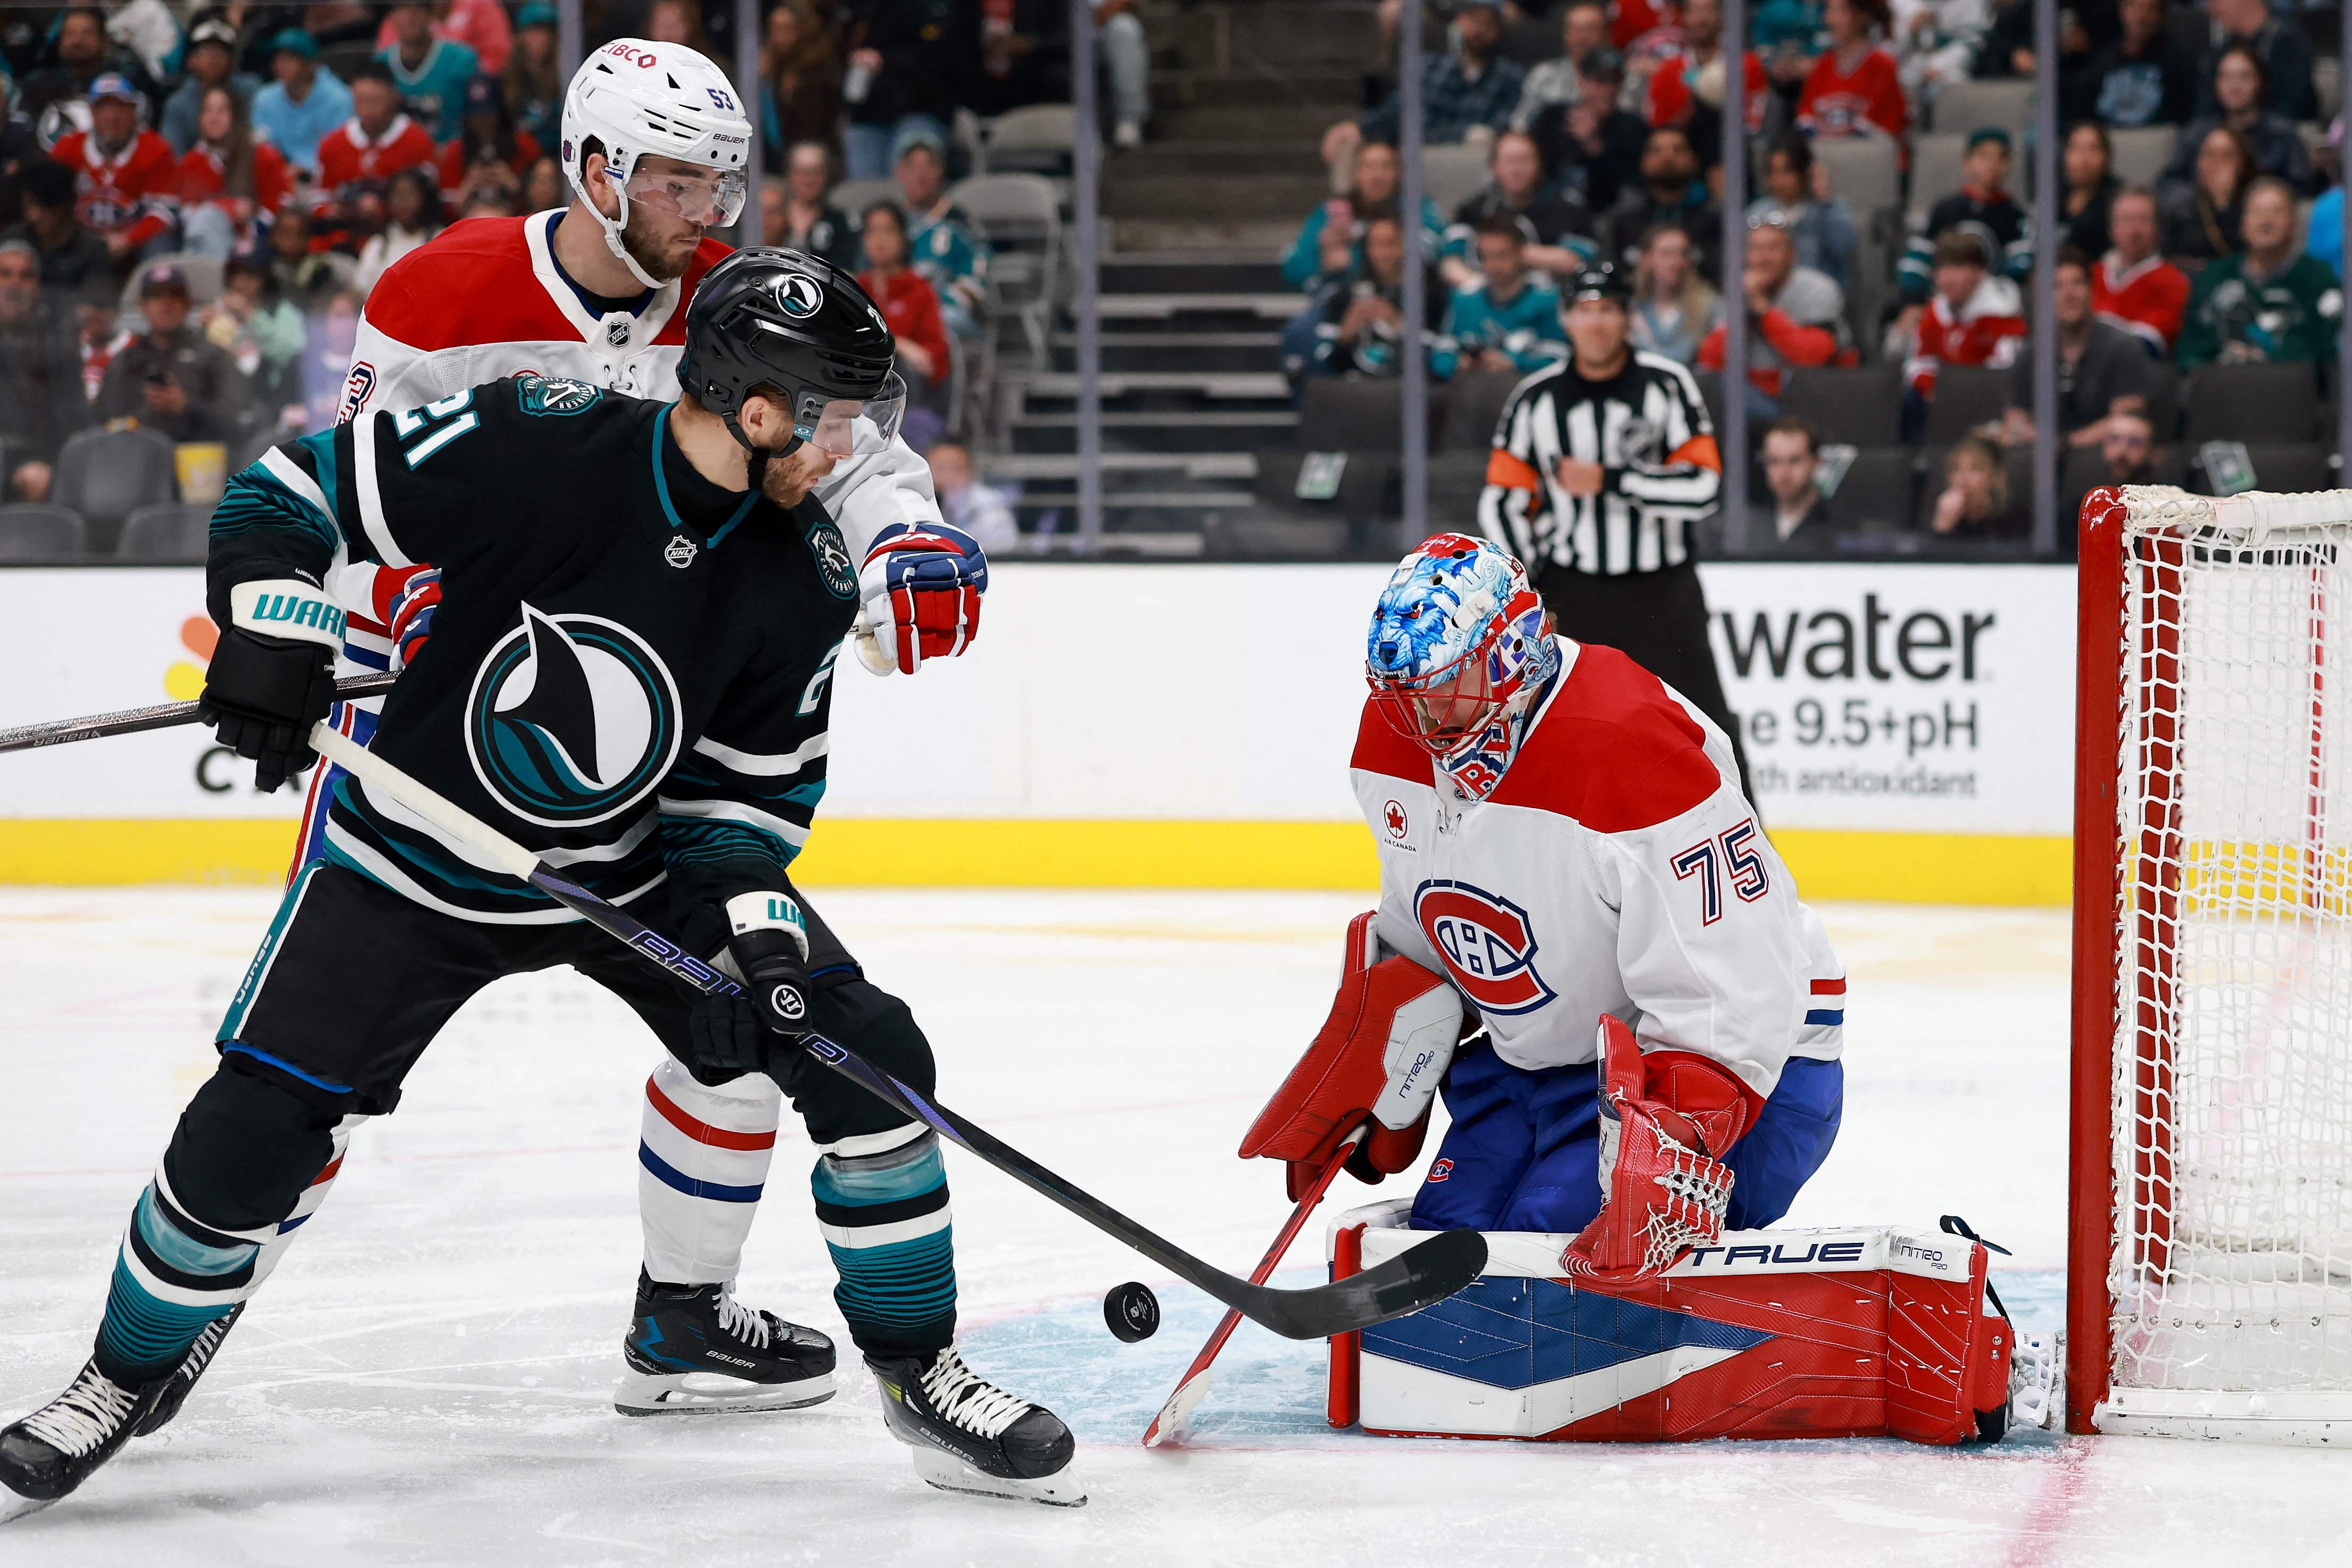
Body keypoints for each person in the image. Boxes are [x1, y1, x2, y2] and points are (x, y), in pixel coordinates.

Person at [0, 247, 1075, 1521]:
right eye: (836, 419)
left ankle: (920, 1374)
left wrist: (764, 959)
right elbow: (286, 497)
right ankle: (117, 1383)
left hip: (627, 871)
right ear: (757, 406)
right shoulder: (540, 441)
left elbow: (735, 820)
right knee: (251, 1135)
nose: (852, 454)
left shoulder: (804, 577)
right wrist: (271, 622)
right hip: (414, 856)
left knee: (865, 1055)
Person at [185, 39, 989, 1433]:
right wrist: (321, 636)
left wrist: (909, 533)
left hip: (662, 743)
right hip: (447, 744)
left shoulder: (730, 308)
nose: (714, 213)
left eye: (726, 182)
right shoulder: (440, 292)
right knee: (307, 1087)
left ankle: (680, 1319)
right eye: (685, 182)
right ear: (599, 169)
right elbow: (369, 494)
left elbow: (847, 450)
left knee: (743, 1015)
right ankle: (189, 1303)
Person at [1285, 533, 1840, 1267]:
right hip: (1548, 1057)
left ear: (1512, 654)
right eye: (1403, 698)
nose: (1422, 725)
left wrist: (1674, 1136)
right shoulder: (1395, 738)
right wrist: (1378, 1064)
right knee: (1455, 1227)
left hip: (1745, 1064)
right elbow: (1430, 922)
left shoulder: (1629, 745)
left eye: (1443, 691)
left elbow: (1735, 977)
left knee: (1537, 1249)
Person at [1477, 266, 1755, 799]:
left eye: (1607, 309)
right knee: (1552, 729)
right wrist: (1529, 590)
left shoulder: (1667, 386)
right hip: (1572, 592)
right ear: (1566, 320)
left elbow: (1704, 488)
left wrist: (1611, 480)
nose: (1596, 322)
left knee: (1706, 729)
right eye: (1584, 310)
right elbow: (1502, 502)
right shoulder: (1535, 400)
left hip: (1663, 589)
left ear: (1626, 317)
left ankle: (1748, 853)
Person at [1326, 0, 1525, 178]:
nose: (1480, 30)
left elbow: (1504, 125)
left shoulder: (1511, 77)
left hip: (1476, 163)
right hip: (1423, 156)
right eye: (1474, 19)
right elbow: (1396, 109)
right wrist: (1357, 127)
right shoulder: (1429, 69)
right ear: (1459, 22)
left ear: (1499, 29)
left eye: (1488, 23)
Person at [2175, 176, 2343, 371]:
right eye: (2257, 212)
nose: (2266, 221)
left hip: (2290, 391)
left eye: (2277, 211)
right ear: (2243, 224)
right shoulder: (2213, 277)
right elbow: (2190, 347)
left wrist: (2268, 360)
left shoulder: (2319, 279)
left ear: (2294, 224)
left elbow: (2326, 347)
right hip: (2223, 390)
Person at [2001, 246, 2151, 449]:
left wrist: (2064, 442)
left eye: (2077, 283)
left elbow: (2126, 421)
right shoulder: (2030, 355)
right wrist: (2023, 432)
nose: (2068, 294)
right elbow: (2016, 419)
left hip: (2106, 461)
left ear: (2091, 290)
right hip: (2046, 464)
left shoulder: (2123, 347)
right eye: (2057, 286)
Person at [1697, 217, 1850, 407]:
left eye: (1773, 249)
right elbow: (1710, 361)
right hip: (1751, 397)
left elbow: (1812, 359)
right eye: (1757, 249)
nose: (1764, 258)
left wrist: (1763, 309)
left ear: (1792, 255)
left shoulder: (1817, 289)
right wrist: (1742, 311)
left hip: (1812, 397)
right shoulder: (1737, 291)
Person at [95, 263, 249, 443]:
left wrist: (186, 406)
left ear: (188, 304)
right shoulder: (124, 361)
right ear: (142, 306)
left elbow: (239, 420)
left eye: (175, 295)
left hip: (198, 459)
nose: (166, 304)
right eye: (156, 296)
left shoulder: (214, 357)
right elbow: (103, 422)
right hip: (136, 459)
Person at [48, 73, 180, 268]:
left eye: (120, 107)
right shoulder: (67, 148)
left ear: (134, 110)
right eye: (103, 107)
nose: (112, 116)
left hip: (135, 245)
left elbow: (164, 213)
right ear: (92, 112)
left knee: (160, 246)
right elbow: (48, 202)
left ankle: (156, 294)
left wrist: (129, 239)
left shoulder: (156, 150)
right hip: (81, 242)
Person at [1280, 138, 1443, 294]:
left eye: (1386, 166)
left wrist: (1355, 260)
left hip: (1405, 301)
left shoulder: (1418, 209)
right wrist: (1321, 256)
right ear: (1356, 173)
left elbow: (1433, 253)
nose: (1377, 175)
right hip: (1341, 303)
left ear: (1398, 173)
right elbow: (1292, 267)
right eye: (1368, 166)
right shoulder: (1331, 213)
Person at [1439, 130, 1595, 290]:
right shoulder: (1472, 210)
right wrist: (1478, 288)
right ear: (1493, 167)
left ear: (1539, 164)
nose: (1516, 170)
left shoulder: (1568, 208)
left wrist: (1504, 253)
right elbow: (1449, 260)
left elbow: (1577, 260)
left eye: (1524, 161)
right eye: (1509, 161)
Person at [842, 0, 979, 181]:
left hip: (925, 105)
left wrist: (886, 60)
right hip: (871, 109)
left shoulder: (948, 7)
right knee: (865, 192)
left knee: (912, 182)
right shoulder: (865, 8)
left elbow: (949, 56)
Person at [1306, 212, 1446, 380]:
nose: (1383, 253)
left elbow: (1443, 360)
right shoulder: (1345, 295)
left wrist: (1398, 323)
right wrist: (1346, 334)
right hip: (1359, 393)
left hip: (1412, 390)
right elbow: (1321, 362)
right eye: (1376, 245)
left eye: (1390, 244)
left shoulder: (1432, 294)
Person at [2161, 45, 2309, 204]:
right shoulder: (2196, 134)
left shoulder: (2282, 134)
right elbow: (2169, 185)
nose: (2235, 86)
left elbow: (2301, 187)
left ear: (2260, 82)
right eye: (2227, 77)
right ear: (2216, 84)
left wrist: (2249, 196)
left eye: (2244, 77)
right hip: (2205, 218)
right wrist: (2206, 196)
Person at [0, 238, 88, 503]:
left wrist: (45, 462)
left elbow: (74, 423)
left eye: (25, 276)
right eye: (4, 274)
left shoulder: (58, 349)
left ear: (37, 287)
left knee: (38, 478)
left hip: (34, 461)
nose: (14, 284)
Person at [312, 62, 440, 244]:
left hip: (404, 240)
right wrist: (343, 209)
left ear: (394, 98)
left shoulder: (418, 142)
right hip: (344, 239)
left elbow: (431, 204)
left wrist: (386, 208)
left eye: (375, 101)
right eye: (361, 101)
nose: (367, 110)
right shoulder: (332, 145)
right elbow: (317, 202)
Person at [1899, 128, 2030, 302]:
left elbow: (2020, 264)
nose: (1992, 164)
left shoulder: (2015, 215)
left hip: (1993, 305)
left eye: (2001, 158)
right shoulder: (1943, 210)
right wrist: (1913, 300)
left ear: (2009, 164)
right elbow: (1917, 258)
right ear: (1966, 162)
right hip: (1942, 301)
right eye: (1984, 156)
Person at [1431, 216, 1567, 380]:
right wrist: (1458, 363)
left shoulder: (1548, 300)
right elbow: (1441, 353)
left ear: (1521, 253)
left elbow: (1561, 356)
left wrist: (1515, 363)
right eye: (1485, 256)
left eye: (1502, 255)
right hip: (1471, 394)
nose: (1493, 264)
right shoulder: (1464, 300)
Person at [1902, 230, 2026, 404]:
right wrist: (1930, 387)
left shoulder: (2002, 314)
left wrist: (1956, 392)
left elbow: (2003, 374)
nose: (1947, 279)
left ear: (1979, 271)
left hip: (1986, 403)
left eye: (1957, 268)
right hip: (1943, 402)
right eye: (1943, 268)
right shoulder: (1937, 309)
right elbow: (1919, 362)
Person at [891, 132, 991, 342]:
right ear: (899, 172)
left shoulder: (962, 224)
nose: (920, 175)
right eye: (912, 167)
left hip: (943, 312)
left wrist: (921, 306)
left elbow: (975, 283)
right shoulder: (886, 221)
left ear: (941, 171)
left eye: (929, 166)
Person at [179, 85, 292, 260]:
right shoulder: (192, 160)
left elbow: (282, 205)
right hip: (210, 241)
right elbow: (187, 211)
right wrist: (227, 208)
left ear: (237, 117)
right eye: (208, 111)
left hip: (260, 242)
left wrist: (251, 221)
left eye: (222, 111)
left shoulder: (263, 155)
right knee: (205, 219)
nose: (213, 118)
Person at [1603, 124, 1721, 285]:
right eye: (1657, 151)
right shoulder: (1623, 222)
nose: (1667, 158)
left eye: (1678, 150)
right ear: (1643, 162)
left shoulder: (1713, 222)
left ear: (1694, 161)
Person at [857, 201, 950, 404]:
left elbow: (932, 358)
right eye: (873, 231)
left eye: (889, 231)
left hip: (908, 390)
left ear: (903, 238)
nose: (880, 239)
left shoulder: (919, 290)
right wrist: (899, 343)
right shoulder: (855, 289)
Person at [14, 6, 146, 150]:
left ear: (104, 40)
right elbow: (19, 132)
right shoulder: (37, 85)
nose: (77, 40)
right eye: (70, 33)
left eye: (87, 33)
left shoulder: (126, 83)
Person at [203, 247, 307, 415]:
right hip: (222, 399)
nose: (241, 282)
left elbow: (292, 351)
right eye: (236, 275)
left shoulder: (283, 311)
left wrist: (251, 315)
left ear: (264, 278)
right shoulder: (216, 311)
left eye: (250, 275)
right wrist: (202, 329)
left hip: (271, 399)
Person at [1746, 135, 1857, 291]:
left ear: (1804, 173)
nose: (1779, 181)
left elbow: (1845, 250)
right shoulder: (1757, 212)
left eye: (1787, 172)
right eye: (1774, 172)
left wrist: (1824, 201)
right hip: (1770, 296)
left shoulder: (1828, 210)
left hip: (1816, 296)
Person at [1644, 0, 1770, 137]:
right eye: (1695, 11)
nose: (1702, 19)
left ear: (1721, 15)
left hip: (1737, 146)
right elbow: (1661, 128)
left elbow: (1755, 122)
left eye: (1708, 10)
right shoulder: (1667, 71)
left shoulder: (1747, 64)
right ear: (1684, 17)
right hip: (1687, 148)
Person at [2066, 0, 2196, 129]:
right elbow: (2084, 106)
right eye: (2135, 7)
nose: (2142, 16)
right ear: (2123, 11)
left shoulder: (2177, 60)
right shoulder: (2104, 58)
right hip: (2109, 137)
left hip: (2157, 136)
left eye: (2150, 9)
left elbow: (2183, 111)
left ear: (2160, 16)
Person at [0, 159, 112, 304]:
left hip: (66, 324)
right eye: (29, 206)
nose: (33, 216)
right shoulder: (12, 238)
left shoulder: (92, 249)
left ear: (64, 207)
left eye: (43, 208)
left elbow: (95, 304)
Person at [2095, 186, 2191, 353]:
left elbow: (2150, 344)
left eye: (2143, 220)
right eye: (2126, 220)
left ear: (2157, 227)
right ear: (2112, 227)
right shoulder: (2089, 275)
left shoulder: (2173, 282)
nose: (2134, 231)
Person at [1797, 0, 1907, 142]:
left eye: (1842, 11)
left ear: (1863, 16)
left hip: (1866, 157)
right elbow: (1806, 119)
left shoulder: (1883, 66)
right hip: (1825, 156)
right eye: (1829, 10)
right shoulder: (1822, 66)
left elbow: (1885, 131)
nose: (1831, 19)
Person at [250, 29, 354, 178]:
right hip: (280, 177)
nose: (281, 65)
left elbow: (343, 151)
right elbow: (262, 146)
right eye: (278, 58)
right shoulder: (265, 98)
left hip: (328, 177)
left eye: (290, 59)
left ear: (311, 65)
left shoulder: (340, 98)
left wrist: (306, 167)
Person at [2196, 0, 2315, 123]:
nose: (2210, 10)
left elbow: (2292, 109)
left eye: (2215, 2)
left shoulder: (2287, 44)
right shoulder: (2224, 51)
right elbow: (2205, 110)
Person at [378, 1, 479, 145]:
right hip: (399, 157)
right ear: (392, 17)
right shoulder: (380, 63)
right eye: (401, 9)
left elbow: (480, 116)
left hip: (450, 153)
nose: (409, 17)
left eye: (417, 9)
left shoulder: (462, 60)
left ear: (431, 14)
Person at [160, 16, 260, 157]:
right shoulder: (178, 104)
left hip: (242, 168)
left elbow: (259, 138)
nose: (213, 58)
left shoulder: (248, 90)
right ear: (192, 61)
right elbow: (173, 156)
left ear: (232, 62)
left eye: (220, 52)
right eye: (205, 52)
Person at [438, 73, 543, 202]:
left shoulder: (525, 145)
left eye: (489, 115)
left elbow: (543, 200)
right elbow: (444, 207)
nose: (483, 122)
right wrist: (468, 187)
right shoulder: (454, 152)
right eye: (476, 116)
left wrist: (515, 185)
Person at [2162, 125, 2255, 269]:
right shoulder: (2180, 209)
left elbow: (2245, 257)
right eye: (2209, 154)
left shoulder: (2255, 207)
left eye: (2227, 155)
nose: (2215, 164)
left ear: (2242, 164)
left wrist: (2223, 203)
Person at [1627, 223, 1721, 364]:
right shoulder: (1631, 308)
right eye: (1666, 254)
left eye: (1683, 254)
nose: (1676, 262)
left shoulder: (1710, 306)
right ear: (1647, 258)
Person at [1512, 0, 1613, 130]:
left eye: (1590, 29)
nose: (1581, 38)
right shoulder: (1544, 75)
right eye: (1575, 30)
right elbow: (1521, 123)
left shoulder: (1623, 76)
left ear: (1606, 35)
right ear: (1565, 35)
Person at [761, 0, 844, 159]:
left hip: (817, 157)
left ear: (804, 29)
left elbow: (813, 125)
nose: (779, 38)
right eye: (774, 29)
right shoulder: (771, 69)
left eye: (787, 28)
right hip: (778, 158)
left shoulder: (821, 69)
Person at [355, 168, 444, 295]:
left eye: (410, 195)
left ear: (425, 198)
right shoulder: (379, 243)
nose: (403, 203)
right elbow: (361, 289)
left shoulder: (441, 239)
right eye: (397, 195)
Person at [1927, 434, 2029, 540]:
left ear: (1995, 477)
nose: (1963, 479)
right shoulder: (1939, 514)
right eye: (1956, 469)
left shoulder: (2016, 519)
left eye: (1976, 469)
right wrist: (1942, 526)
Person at [1890, 0, 1989, 107]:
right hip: (1911, 66)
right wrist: (1911, 30)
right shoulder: (1903, 4)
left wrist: (1940, 64)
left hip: (1952, 66)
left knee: (1953, 86)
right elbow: (1890, 50)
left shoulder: (1972, 3)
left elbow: (1972, 42)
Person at [927, 439, 1018, 556]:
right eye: (940, 469)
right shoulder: (916, 500)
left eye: (956, 469)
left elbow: (1000, 550)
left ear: (971, 471)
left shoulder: (990, 505)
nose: (947, 477)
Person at [774, 141, 856, 270]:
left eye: (816, 172)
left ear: (827, 176)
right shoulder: (772, 217)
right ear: (789, 174)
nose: (808, 180)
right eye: (801, 171)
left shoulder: (841, 222)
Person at [1759, 415, 1836, 544]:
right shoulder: (1746, 526)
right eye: (1774, 461)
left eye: (1794, 461)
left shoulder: (1838, 528)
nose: (1784, 473)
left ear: (1816, 463)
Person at [2056, 123, 2119, 263]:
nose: (2084, 159)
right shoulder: (2055, 195)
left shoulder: (2118, 199)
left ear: (2107, 156)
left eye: (2093, 149)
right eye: (2076, 148)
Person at [504, 3, 564, 148]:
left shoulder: (564, 79)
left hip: (557, 158)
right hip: (521, 159)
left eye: (548, 31)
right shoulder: (506, 80)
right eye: (535, 31)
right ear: (521, 35)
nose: (544, 38)